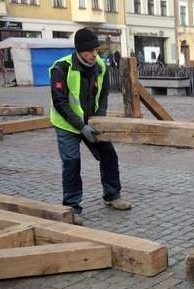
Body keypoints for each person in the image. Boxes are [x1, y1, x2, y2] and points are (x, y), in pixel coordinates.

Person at [49, 28, 132, 225]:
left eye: (96, 50)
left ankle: (112, 196)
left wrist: (98, 120)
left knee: (109, 155)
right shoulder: (61, 68)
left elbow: (103, 95)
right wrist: (80, 126)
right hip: (67, 124)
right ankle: (72, 208)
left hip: (91, 122)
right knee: (71, 162)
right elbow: (60, 102)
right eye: (90, 51)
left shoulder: (100, 67)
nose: (95, 54)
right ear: (79, 50)